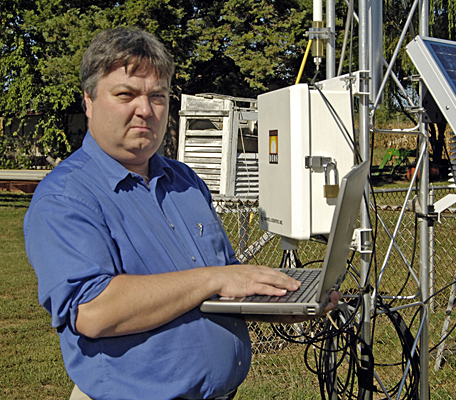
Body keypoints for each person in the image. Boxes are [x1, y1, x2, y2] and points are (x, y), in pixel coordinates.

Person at [24, 27, 340, 400]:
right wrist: (213, 279)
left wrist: (288, 302)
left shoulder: (184, 180)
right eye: (126, 94)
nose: (145, 109)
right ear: (89, 101)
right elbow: (94, 311)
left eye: (157, 96)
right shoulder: (66, 196)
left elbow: (226, 287)